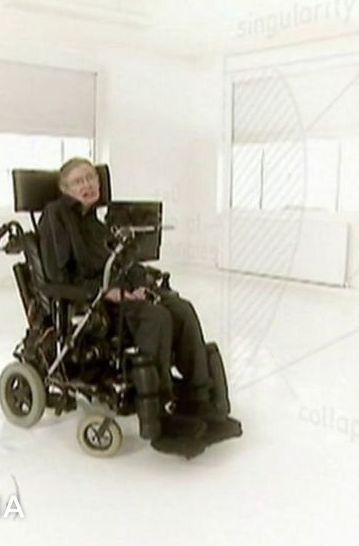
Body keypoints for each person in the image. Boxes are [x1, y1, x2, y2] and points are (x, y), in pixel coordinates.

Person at [38, 157, 241, 456]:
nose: (88, 185)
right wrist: (107, 293)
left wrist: (141, 283)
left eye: (92, 178)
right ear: (64, 189)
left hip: (123, 293)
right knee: (156, 318)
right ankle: (160, 414)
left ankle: (199, 400)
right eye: (79, 181)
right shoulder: (55, 217)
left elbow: (124, 263)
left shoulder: (97, 222)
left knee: (181, 309)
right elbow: (57, 280)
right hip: (92, 304)